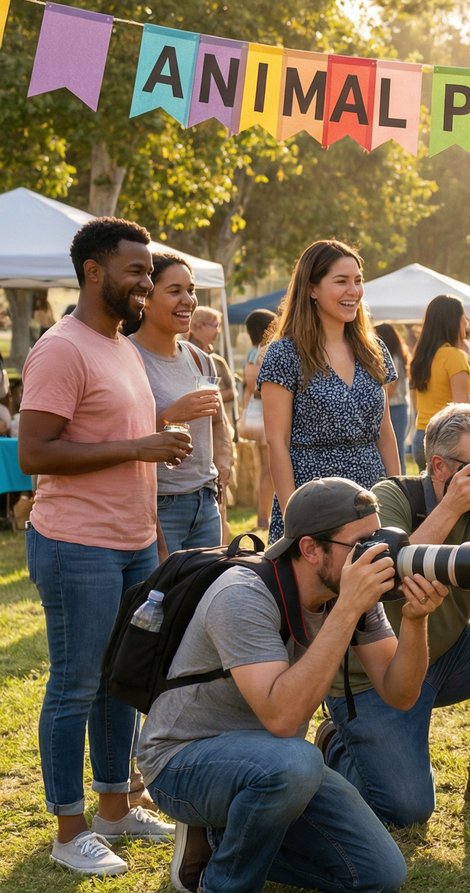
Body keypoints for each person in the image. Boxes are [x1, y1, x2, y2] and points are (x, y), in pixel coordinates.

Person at [137, 477, 448, 893]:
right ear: (309, 548)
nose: (375, 554)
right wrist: (349, 609)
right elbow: (283, 718)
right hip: (185, 760)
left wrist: (415, 620)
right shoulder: (243, 595)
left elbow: (400, 693)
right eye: (360, 544)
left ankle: (220, 838)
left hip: (273, 765)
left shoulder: (349, 592)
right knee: (297, 762)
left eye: (377, 538)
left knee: (379, 875)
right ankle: (222, 882)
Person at [19, 217, 187, 876]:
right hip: (75, 546)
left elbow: (132, 457)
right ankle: (68, 828)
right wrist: (140, 444)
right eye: (135, 270)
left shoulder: (122, 346)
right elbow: (37, 450)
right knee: (76, 686)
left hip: (133, 544)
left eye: (149, 270)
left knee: (122, 682)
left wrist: (158, 543)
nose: (145, 281)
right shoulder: (61, 348)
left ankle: (115, 807)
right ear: (94, 271)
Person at [317, 403, 470, 824]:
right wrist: (451, 507)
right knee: (407, 809)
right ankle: (336, 743)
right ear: (439, 466)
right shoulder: (391, 497)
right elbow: (389, 572)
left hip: (443, 658)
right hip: (376, 679)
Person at [259, 240, 401, 542]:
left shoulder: (374, 349)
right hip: (314, 501)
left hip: (371, 497)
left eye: (358, 281)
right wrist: (291, 521)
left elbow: (384, 431)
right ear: (312, 288)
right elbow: (277, 442)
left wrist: (397, 495)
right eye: (341, 281)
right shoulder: (285, 353)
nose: (354, 291)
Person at [129, 253, 231, 553]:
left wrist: (223, 464)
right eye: (175, 291)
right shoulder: (127, 357)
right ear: (146, 299)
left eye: (191, 290)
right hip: (159, 505)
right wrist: (169, 415)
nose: (188, 299)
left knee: (203, 594)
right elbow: (114, 433)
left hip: (205, 499)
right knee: (163, 596)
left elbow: (218, 422)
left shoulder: (200, 359)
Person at [410, 295, 470, 470]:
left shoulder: (421, 357)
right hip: (447, 441)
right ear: (453, 321)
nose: (467, 320)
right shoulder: (454, 357)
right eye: (463, 315)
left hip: (421, 437)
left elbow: (416, 405)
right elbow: (461, 407)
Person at [237, 308, 277, 529]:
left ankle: (264, 515)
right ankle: (263, 517)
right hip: (264, 417)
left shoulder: (255, 352)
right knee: (268, 469)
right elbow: (255, 387)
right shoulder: (260, 353)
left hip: (262, 416)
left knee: (266, 469)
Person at [185, 305, 235, 427]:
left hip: (215, 427)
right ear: (197, 326)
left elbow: (233, 392)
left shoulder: (217, 361)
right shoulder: (181, 355)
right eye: (215, 325)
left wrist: (208, 400)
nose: (219, 330)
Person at [374, 323, 412, 473]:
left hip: (394, 407)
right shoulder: (399, 356)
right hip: (400, 407)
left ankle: (398, 482)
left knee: (395, 451)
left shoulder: (392, 358)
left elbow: (389, 390)